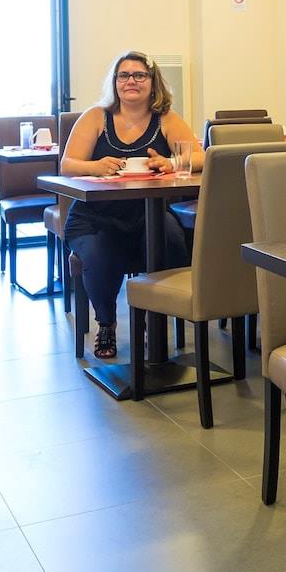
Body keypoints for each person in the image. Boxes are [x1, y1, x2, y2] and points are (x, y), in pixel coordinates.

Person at [60, 50, 204, 359]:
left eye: (139, 75)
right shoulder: (96, 117)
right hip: (94, 218)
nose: (131, 81)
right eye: (123, 75)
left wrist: (170, 162)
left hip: (148, 215)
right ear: (115, 82)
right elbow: (68, 164)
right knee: (98, 253)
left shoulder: (166, 118)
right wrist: (95, 166)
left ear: (153, 83)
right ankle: (106, 323)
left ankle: (155, 315)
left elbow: (200, 157)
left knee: (172, 238)